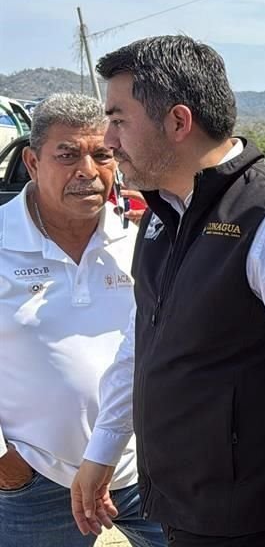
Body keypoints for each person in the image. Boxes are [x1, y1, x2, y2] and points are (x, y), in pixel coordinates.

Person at [71, 35, 265, 547]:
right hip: (182, 503)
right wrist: (104, 447)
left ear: (178, 121)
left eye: (119, 119)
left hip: (255, 517)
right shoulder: (164, 214)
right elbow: (141, 340)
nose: (108, 140)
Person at [0, 93, 164, 547]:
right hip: (38, 482)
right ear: (32, 162)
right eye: (67, 155)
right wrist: (6, 464)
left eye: (102, 155)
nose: (87, 172)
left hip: (144, 473)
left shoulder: (143, 242)